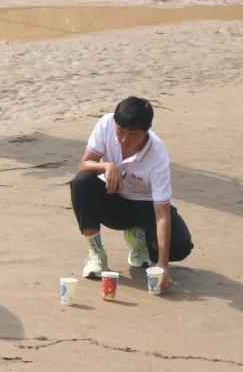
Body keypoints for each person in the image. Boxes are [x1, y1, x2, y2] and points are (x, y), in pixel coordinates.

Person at [70, 96, 194, 290]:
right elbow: (85, 163)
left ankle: (139, 239)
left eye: (133, 133)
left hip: (146, 206)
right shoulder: (106, 123)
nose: (124, 139)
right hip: (113, 199)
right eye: (120, 131)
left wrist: (162, 264)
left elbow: (162, 215)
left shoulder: (158, 156)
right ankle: (96, 253)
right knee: (81, 182)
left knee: (180, 247)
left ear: (147, 129)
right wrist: (106, 166)